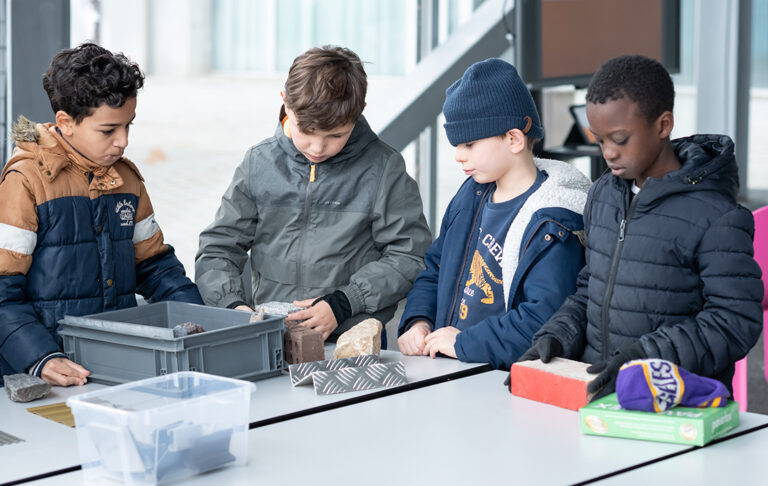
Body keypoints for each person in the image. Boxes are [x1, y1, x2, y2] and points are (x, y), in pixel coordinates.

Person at [519, 54, 764, 399]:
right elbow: (591, 286)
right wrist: (558, 336)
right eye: (599, 140)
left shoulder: (716, 216)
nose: (608, 153)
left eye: (619, 139)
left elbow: (734, 322)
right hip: (601, 395)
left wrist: (644, 357)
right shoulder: (603, 195)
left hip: (673, 403)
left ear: (663, 125)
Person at [195, 46, 431, 344]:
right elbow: (218, 248)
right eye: (306, 130)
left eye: (336, 135)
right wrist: (233, 308)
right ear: (285, 103)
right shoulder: (258, 163)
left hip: (353, 338)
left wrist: (344, 302)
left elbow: (410, 255)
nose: (318, 148)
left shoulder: (384, 168)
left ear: (358, 112)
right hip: (271, 335)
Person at [0, 43, 203, 387]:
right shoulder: (25, 182)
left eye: (128, 126)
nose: (122, 141)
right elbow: (3, 290)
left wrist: (202, 319)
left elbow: (155, 265)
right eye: (108, 130)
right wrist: (40, 357)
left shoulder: (127, 179)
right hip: (39, 371)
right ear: (65, 122)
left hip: (114, 364)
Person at [397, 58, 591, 369]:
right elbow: (435, 268)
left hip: (501, 380)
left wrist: (464, 343)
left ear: (514, 139)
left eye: (469, 144)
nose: (459, 156)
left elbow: (545, 321)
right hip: (451, 367)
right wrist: (419, 320)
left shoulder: (555, 221)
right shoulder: (470, 194)